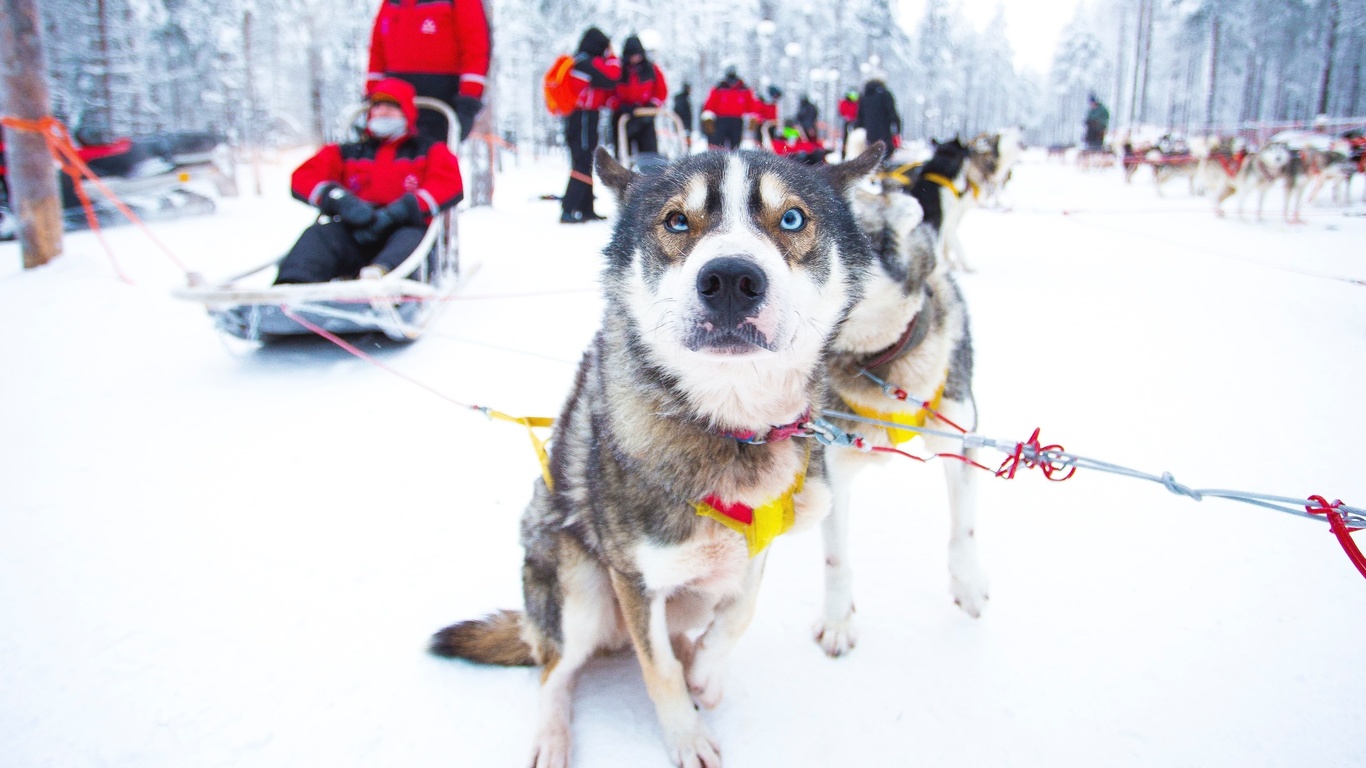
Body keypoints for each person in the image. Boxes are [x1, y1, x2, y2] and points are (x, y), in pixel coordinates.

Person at [274, 78, 463, 285]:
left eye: (392, 107)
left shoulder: (428, 150)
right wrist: (339, 199)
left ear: (406, 113)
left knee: (409, 239)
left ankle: (380, 282)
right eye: (377, 106)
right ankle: (288, 290)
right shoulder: (347, 152)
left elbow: (448, 183)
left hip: (405, 229)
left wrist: (404, 208)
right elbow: (303, 177)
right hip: (355, 229)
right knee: (320, 234)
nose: (382, 112)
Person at [366, 0, 491, 144]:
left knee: (432, 159)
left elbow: (475, 46)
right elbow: (377, 49)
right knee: (385, 159)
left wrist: (469, 101)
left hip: (439, 100)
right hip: (392, 100)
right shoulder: (391, 3)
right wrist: (372, 94)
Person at [560, 27, 621, 223]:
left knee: (586, 160)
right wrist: (611, 56)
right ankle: (568, 209)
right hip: (582, 116)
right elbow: (611, 78)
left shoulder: (581, 60)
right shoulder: (584, 62)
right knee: (583, 159)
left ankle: (586, 208)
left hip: (583, 116)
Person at [609, 34, 668, 160]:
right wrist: (620, 106)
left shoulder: (651, 69)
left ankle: (651, 178)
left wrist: (652, 105)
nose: (636, 58)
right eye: (633, 55)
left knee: (649, 157)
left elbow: (661, 91)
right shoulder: (618, 70)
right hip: (623, 118)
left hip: (645, 117)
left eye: (638, 55)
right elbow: (609, 94)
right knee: (624, 156)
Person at [700, 66, 756, 150]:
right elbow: (709, 104)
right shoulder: (719, 87)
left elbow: (751, 105)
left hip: (737, 121)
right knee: (717, 146)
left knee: (736, 147)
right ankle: (716, 162)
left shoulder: (743, 88)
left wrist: (753, 117)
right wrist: (708, 117)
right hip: (721, 121)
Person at [856, 77, 901, 151]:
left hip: (868, 136)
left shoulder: (864, 96)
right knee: (884, 154)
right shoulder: (885, 94)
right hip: (884, 135)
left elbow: (859, 118)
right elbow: (892, 113)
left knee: (871, 156)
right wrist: (897, 130)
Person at [837, 89, 859, 156]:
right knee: (845, 139)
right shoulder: (844, 102)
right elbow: (841, 111)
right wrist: (846, 117)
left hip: (855, 123)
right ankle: (843, 154)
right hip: (846, 122)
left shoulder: (857, 103)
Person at [672, 82, 694, 149]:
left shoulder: (685, 99)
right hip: (683, 125)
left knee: (686, 143)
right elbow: (680, 112)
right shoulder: (682, 99)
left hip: (684, 125)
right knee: (683, 144)